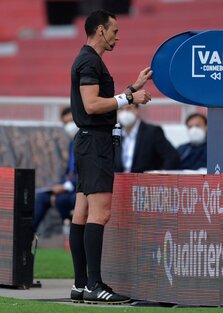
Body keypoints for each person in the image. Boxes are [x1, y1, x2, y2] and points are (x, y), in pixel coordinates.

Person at [69, 10, 152, 305]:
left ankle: (80, 285)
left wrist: (132, 88)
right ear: (101, 30)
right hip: (96, 144)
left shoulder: (87, 59)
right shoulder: (90, 60)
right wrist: (129, 99)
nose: (118, 36)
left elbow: (98, 103)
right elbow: (92, 105)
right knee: (99, 214)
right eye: (114, 31)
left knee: (81, 212)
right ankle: (95, 284)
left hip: (87, 141)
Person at [33, 107, 78, 242]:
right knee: (42, 197)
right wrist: (60, 185)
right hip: (69, 187)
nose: (69, 126)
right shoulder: (72, 143)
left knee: (62, 199)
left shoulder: (87, 140)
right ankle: (27, 235)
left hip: (81, 188)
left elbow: (86, 171)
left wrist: (66, 186)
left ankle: (70, 227)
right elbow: (69, 171)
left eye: (72, 121)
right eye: (66, 123)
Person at [114, 104, 180, 173]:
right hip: (119, 181)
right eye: (121, 109)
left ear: (137, 110)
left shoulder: (152, 132)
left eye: (129, 108)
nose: (125, 112)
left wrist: (160, 178)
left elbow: (172, 157)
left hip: (144, 181)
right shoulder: (115, 133)